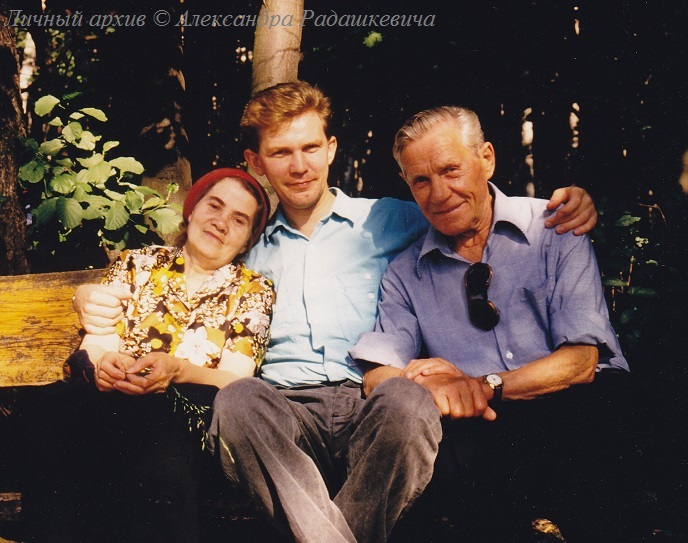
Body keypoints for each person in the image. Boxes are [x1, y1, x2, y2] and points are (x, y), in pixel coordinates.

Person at [73, 82, 600, 543]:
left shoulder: (391, 219)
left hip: (371, 403)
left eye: (310, 147)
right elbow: (177, 282)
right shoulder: (244, 246)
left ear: (330, 149)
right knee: (237, 400)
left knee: (406, 398)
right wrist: (87, 299)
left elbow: (464, 205)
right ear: (256, 163)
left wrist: (568, 203)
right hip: (281, 415)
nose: (299, 165)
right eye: (281, 153)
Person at [350, 106, 632, 542]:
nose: (439, 193)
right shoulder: (406, 273)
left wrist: (480, 385)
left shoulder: (554, 226)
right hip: (483, 428)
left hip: (575, 407)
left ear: (487, 159)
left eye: (451, 170)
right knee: (442, 457)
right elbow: (377, 376)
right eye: (421, 180)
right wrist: (432, 384)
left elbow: (582, 361)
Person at [28, 168, 275, 543]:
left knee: (157, 453)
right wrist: (102, 366)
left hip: (187, 416)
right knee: (64, 422)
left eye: (239, 220)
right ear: (192, 210)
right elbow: (97, 342)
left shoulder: (253, 290)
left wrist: (179, 371)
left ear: (246, 242)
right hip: (112, 404)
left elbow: (236, 380)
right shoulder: (136, 263)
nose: (221, 222)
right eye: (214, 206)